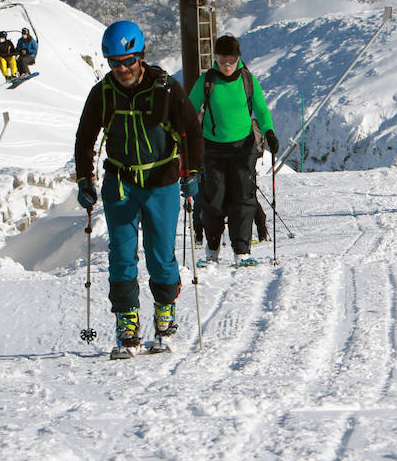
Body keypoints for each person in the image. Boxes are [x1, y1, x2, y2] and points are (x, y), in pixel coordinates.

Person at [74, 20, 203, 357]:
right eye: (115, 62)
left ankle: (165, 317)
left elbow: (191, 130)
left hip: (161, 181)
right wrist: (84, 179)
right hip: (120, 183)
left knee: (160, 256)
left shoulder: (166, 89)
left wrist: (192, 171)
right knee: (121, 256)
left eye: (129, 60)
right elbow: (85, 138)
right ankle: (127, 327)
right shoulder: (103, 93)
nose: (123, 69)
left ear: (141, 56)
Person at [188, 34, 280, 264]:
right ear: (215, 58)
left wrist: (269, 132)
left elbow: (261, 109)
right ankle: (212, 250)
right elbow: (189, 110)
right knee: (214, 199)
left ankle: (242, 251)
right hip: (212, 149)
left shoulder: (248, 80)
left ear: (238, 58)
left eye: (231, 60)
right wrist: (183, 136)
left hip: (243, 148)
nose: (227, 65)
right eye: (222, 60)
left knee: (243, 198)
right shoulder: (206, 81)